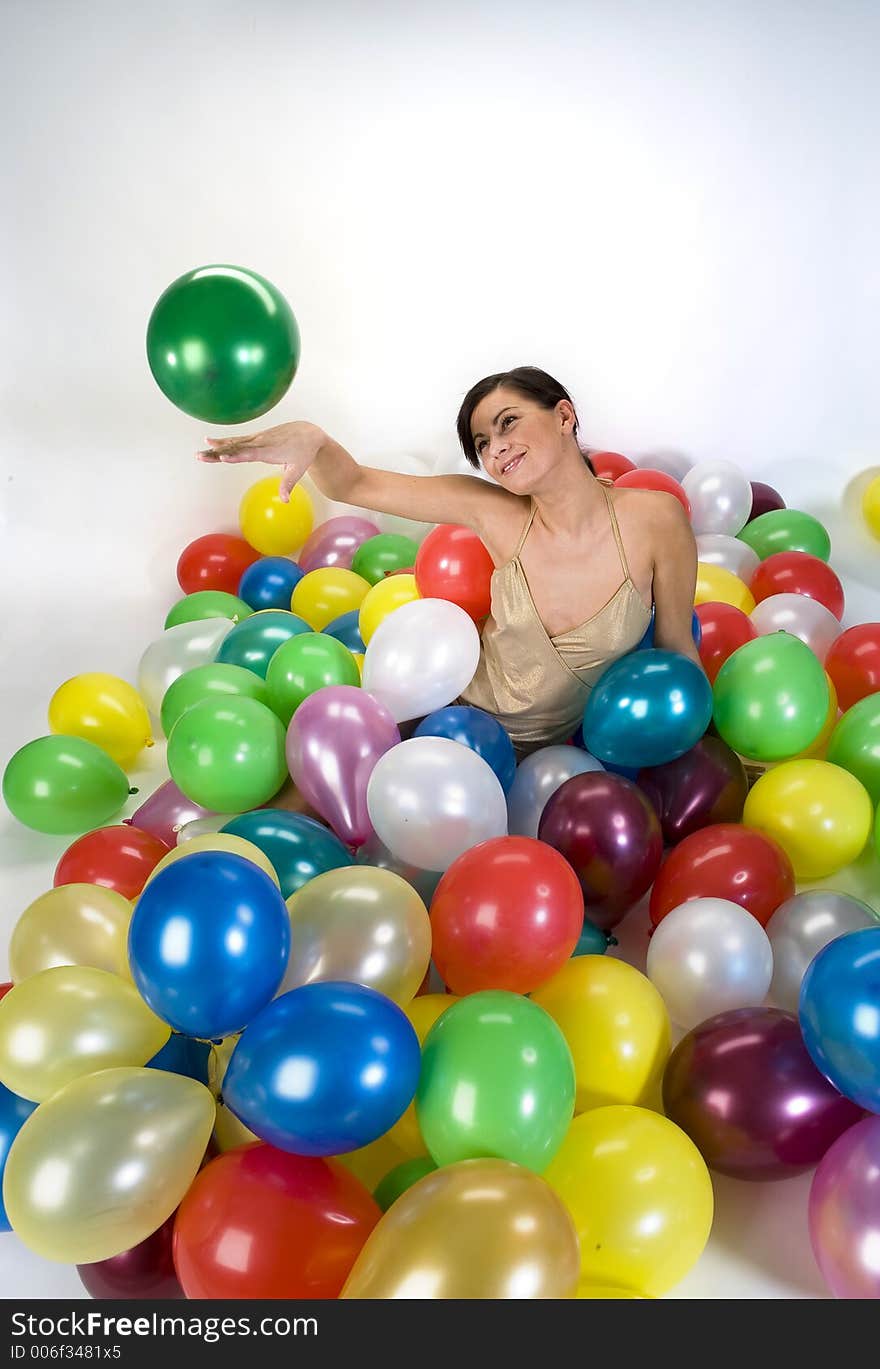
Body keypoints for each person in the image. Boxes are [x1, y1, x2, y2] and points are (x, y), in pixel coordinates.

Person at [197, 366, 701, 757]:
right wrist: (315, 441)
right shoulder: (494, 513)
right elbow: (355, 484)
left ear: (565, 416)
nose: (497, 447)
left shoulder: (654, 519)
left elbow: (677, 650)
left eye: (508, 423)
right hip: (449, 721)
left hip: (561, 759)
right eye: (482, 443)